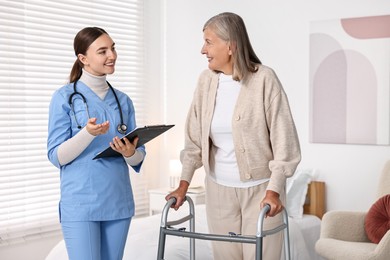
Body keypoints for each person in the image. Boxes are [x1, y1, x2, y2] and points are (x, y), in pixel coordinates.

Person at [166, 12, 301, 260]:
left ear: (231, 46)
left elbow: (285, 142)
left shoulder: (264, 79)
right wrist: (183, 184)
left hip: (261, 192)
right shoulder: (205, 82)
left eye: (208, 42)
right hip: (218, 193)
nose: (202, 50)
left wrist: (275, 190)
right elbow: (194, 140)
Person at [47, 27, 145, 260]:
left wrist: (130, 152)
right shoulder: (64, 97)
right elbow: (56, 156)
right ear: (83, 59)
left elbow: (139, 157)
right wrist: (87, 134)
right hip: (81, 202)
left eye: (113, 48)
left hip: (117, 200)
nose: (111, 55)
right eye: (103, 51)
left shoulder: (123, 100)